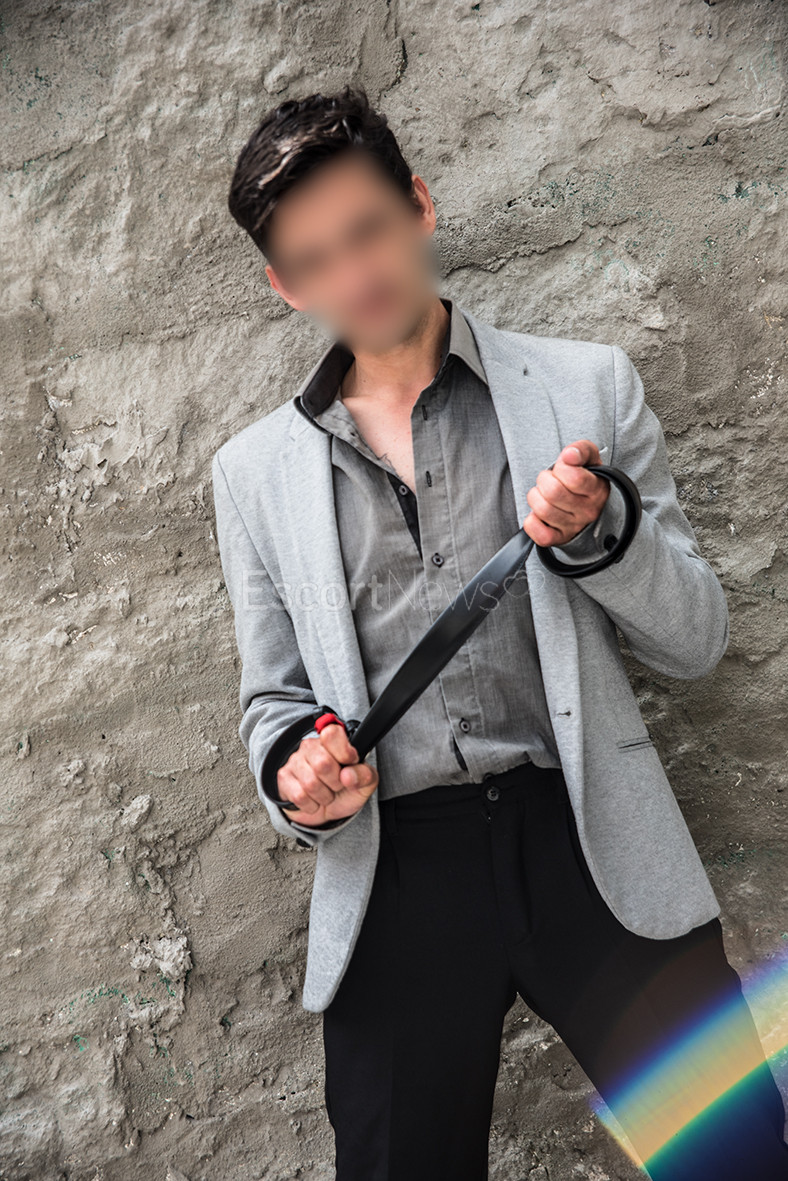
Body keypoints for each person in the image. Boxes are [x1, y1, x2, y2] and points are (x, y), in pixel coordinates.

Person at [212, 84, 788, 1180]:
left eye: (368, 230)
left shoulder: (584, 386)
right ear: (285, 285)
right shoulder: (251, 474)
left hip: (588, 834)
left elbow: (695, 641)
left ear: (419, 206)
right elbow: (273, 697)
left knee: (737, 1158)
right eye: (317, 258)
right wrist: (296, 772)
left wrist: (599, 531)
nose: (356, 273)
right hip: (394, 869)